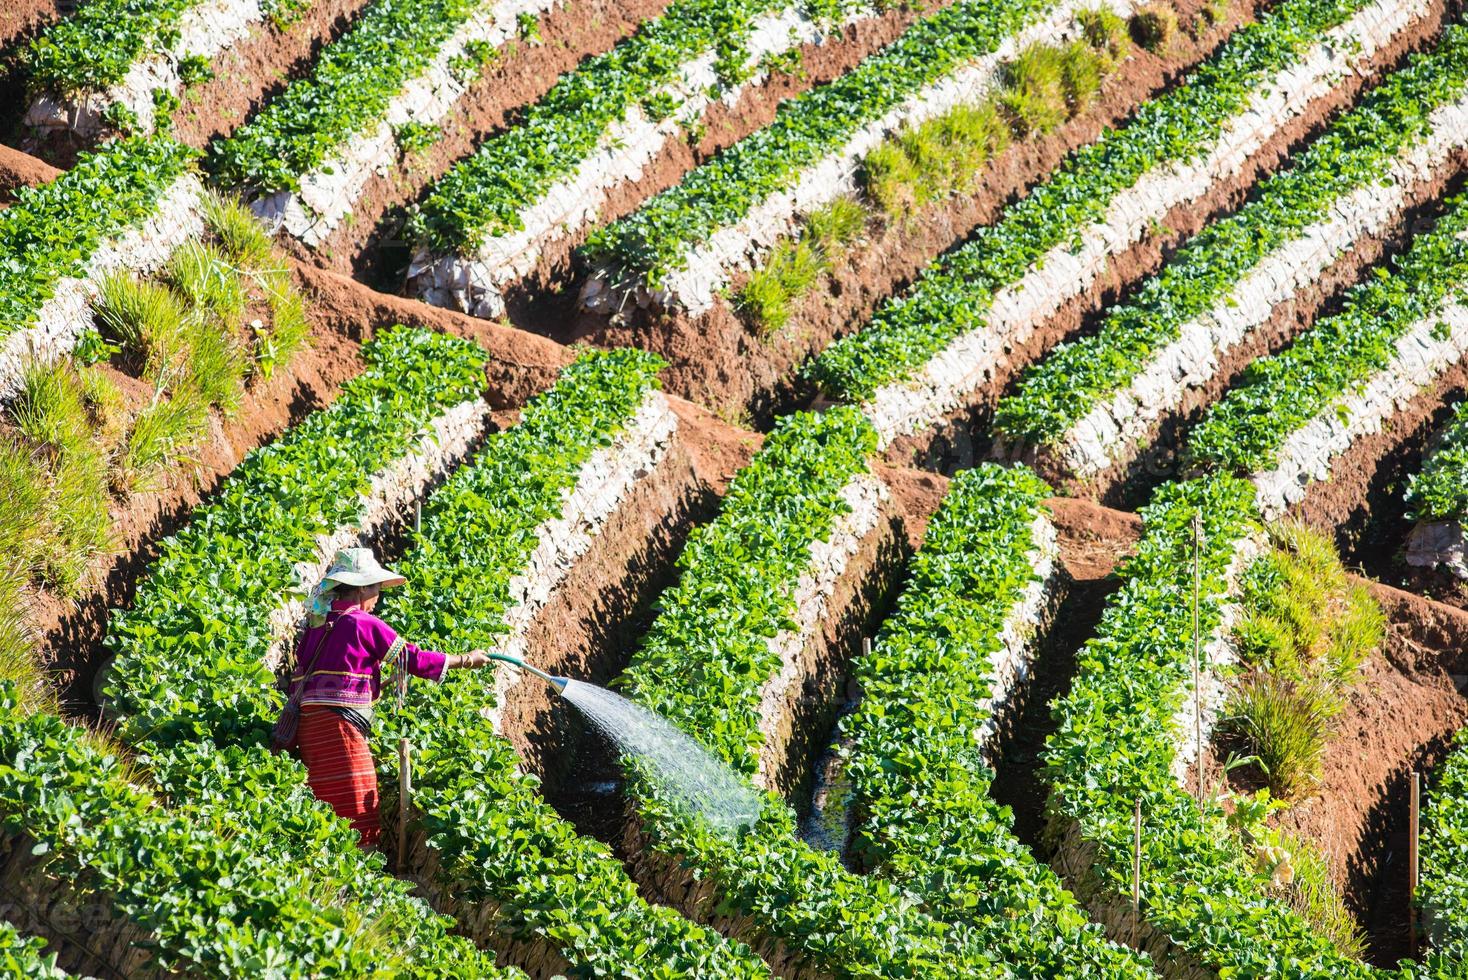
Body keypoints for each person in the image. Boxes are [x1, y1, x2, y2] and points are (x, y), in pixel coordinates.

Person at [288, 547, 491, 849]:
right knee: (357, 803)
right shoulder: (363, 623)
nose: (377, 598)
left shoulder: (318, 626)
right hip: (339, 728)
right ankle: (357, 878)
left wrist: (376, 677)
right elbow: (413, 659)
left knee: (325, 803)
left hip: (309, 728)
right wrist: (465, 659)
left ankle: (325, 872)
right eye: (377, 589)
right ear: (362, 589)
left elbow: (310, 673)